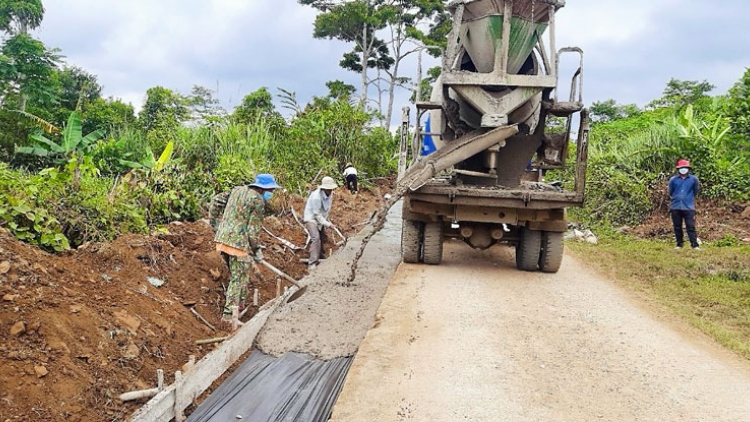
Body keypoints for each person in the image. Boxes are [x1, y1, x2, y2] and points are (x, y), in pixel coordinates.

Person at [213, 173, 280, 326]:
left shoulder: (237, 190)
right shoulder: (257, 201)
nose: (273, 192)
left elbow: (216, 200)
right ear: (264, 188)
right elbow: (252, 232)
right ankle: (229, 315)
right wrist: (257, 251)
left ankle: (240, 304)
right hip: (238, 244)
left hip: (222, 240)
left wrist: (214, 224)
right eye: (271, 189)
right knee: (237, 278)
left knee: (241, 274)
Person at [304, 176, 338, 269]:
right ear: (323, 188)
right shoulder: (316, 197)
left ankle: (322, 257)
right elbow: (317, 214)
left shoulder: (330, 194)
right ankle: (312, 263)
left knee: (323, 237)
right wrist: (328, 224)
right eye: (328, 189)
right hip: (311, 218)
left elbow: (326, 209)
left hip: (321, 219)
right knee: (316, 238)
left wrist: (326, 221)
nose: (330, 191)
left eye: (331, 189)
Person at [668, 159, 700, 250]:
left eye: (685, 168)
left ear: (688, 169)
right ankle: (679, 244)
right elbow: (671, 192)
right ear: (678, 169)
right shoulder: (673, 180)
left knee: (690, 226)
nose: (683, 169)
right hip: (675, 206)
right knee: (677, 226)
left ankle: (694, 245)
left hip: (688, 207)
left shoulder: (694, 179)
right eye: (682, 168)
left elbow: (695, 191)